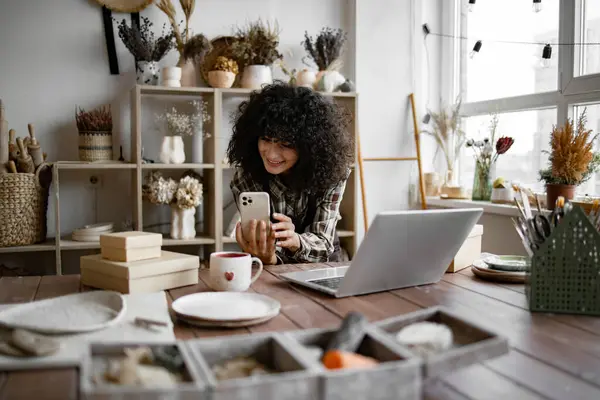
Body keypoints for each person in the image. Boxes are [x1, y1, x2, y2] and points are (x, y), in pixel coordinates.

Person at [226, 82, 355, 265]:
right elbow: (261, 250)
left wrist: (296, 240)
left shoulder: (333, 177)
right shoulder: (246, 178)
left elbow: (324, 244)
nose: (271, 154)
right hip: (270, 266)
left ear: (309, 147)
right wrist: (267, 254)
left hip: (321, 268)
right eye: (265, 139)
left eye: (285, 145)